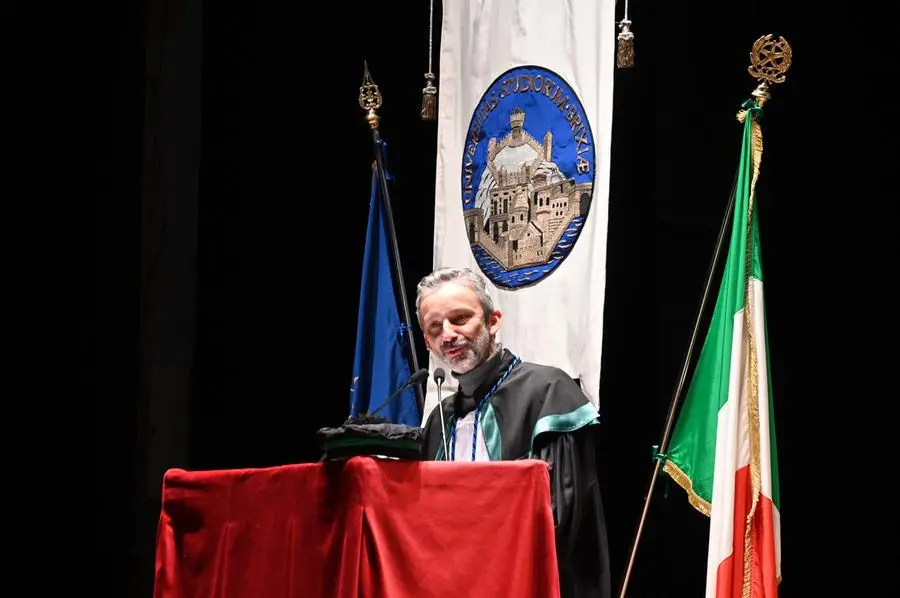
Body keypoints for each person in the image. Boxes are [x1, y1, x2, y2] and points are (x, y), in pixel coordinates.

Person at [415, 266, 612, 598]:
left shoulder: (549, 393)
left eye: (460, 319)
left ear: (493, 322)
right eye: (435, 326)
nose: (448, 334)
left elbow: (560, 522)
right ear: (427, 341)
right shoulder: (439, 421)